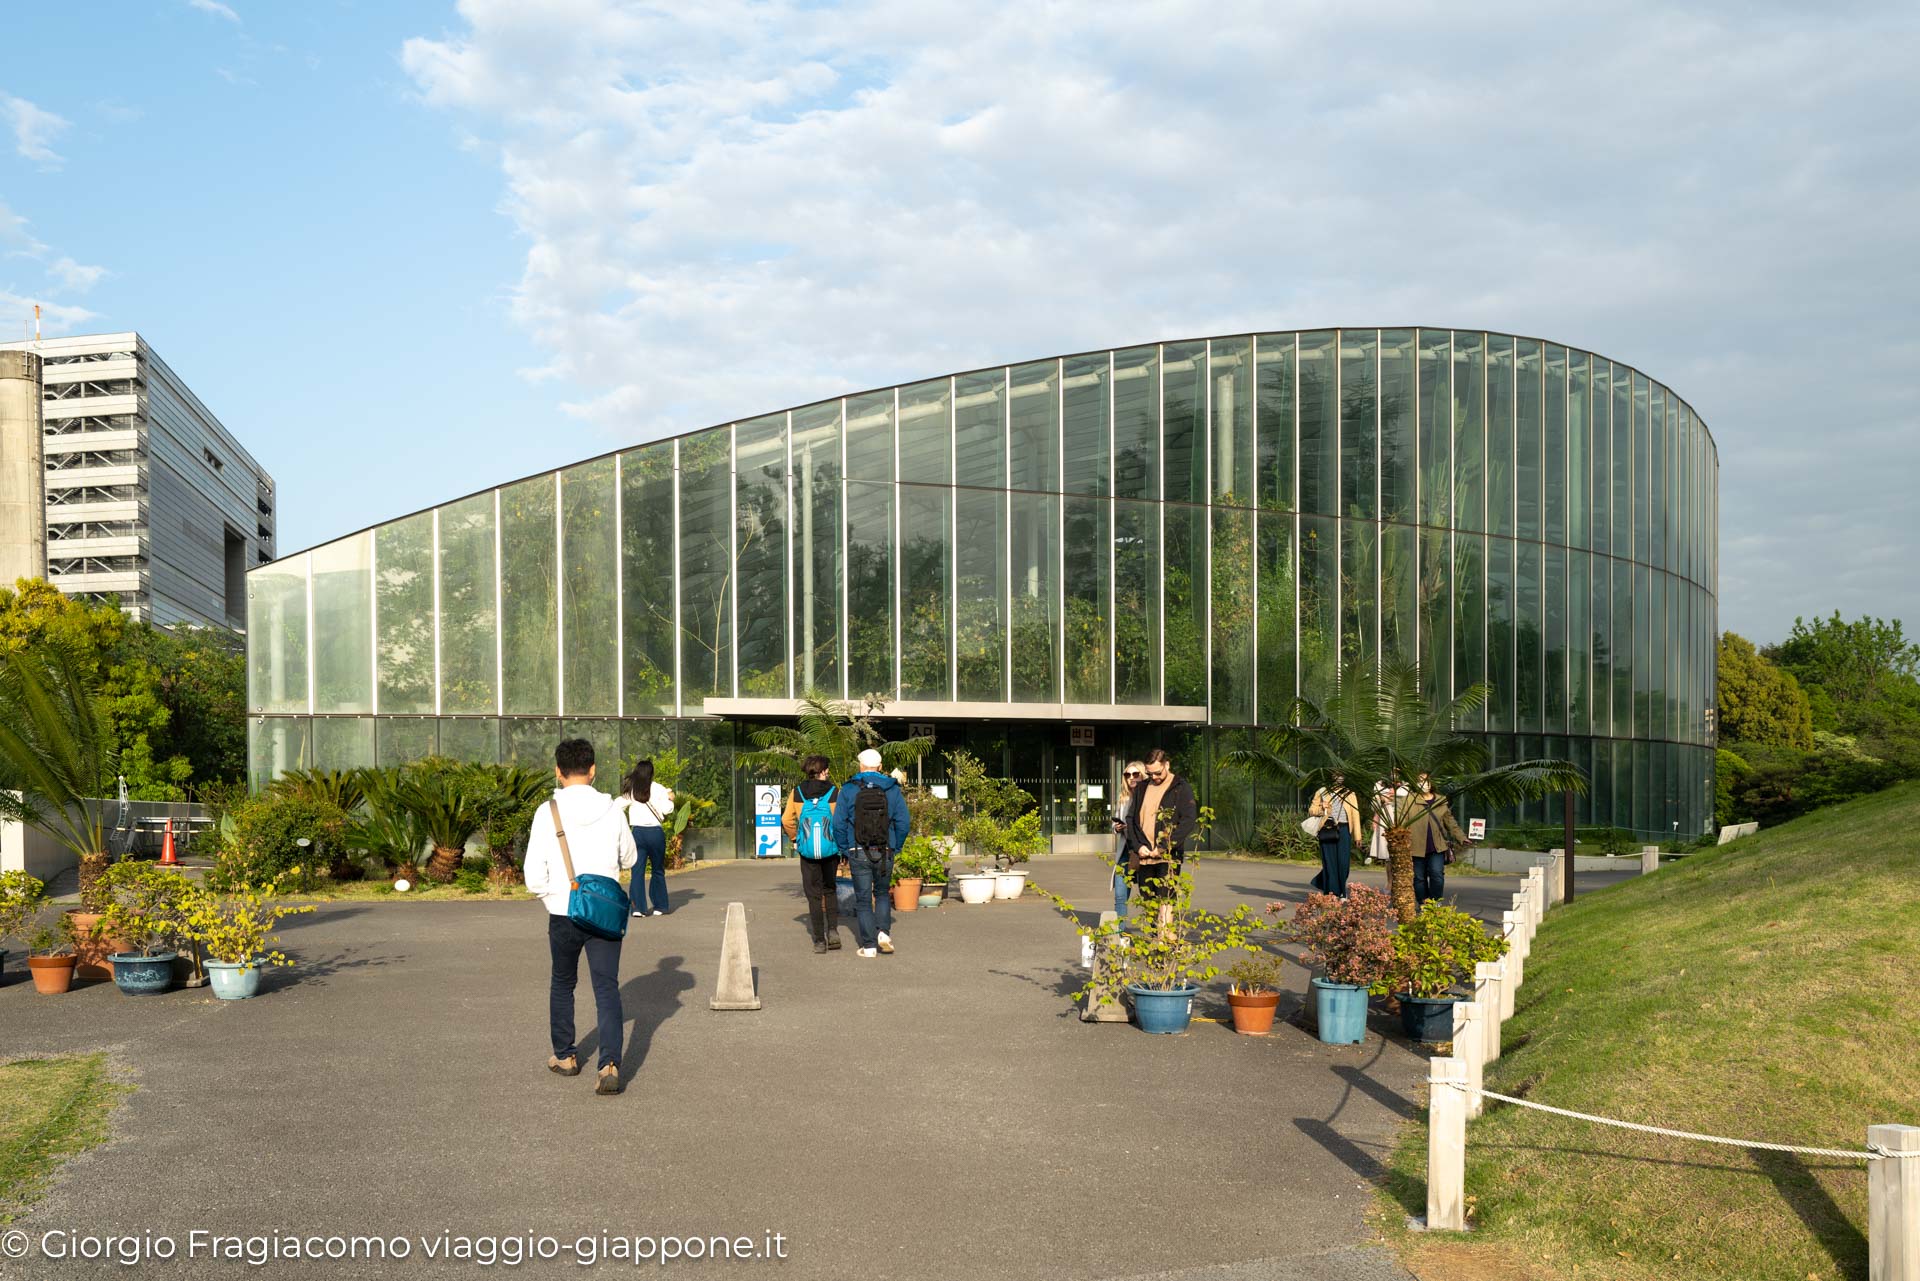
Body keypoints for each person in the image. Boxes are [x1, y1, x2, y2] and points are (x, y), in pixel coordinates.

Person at [523, 738, 638, 1096]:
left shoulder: (548, 811)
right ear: (593, 770)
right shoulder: (612, 810)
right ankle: (609, 1064)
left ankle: (566, 1057)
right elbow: (631, 858)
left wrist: (552, 897)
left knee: (563, 982)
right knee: (606, 987)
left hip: (563, 912)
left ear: (558, 772)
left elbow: (532, 875)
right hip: (603, 913)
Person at [831, 747, 910, 958]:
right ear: (881, 767)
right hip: (886, 850)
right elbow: (904, 822)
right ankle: (883, 933)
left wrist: (843, 849)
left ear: (860, 766)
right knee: (882, 893)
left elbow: (838, 823)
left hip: (857, 850)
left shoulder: (848, 789)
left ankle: (869, 946)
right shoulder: (892, 789)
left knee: (864, 900)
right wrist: (897, 845)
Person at [1122, 749, 1198, 915]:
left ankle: (1163, 939)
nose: (1154, 777)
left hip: (1168, 856)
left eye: (1158, 773)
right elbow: (1131, 819)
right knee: (1148, 901)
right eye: (1150, 774)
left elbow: (1188, 820)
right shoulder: (1142, 787)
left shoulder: (1180, 787)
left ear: (1167, 765)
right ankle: (1154, 938)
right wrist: (1138, 846)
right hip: (1144, 856)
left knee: (1165, 900)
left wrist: (1164, 846)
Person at [782, 754, 842, 953]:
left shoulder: (797, 792)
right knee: (830, 890)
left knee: (813, 895)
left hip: (807, 852)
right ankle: (833, 931)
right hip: (830, 850)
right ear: (823, 771)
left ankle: (818, 940)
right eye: (827, 769)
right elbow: (840, 820)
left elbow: (787, 820)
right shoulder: (834, 792)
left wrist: (795, 839)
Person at [617, 759, 675, 918]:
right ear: (651, 773)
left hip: (637, 834)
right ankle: (660, 906)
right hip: (655, 833)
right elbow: (668, 809)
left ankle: (637, 908)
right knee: (657, 870)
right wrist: (671, 798)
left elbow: (617, 805)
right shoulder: (658, 788)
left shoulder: (632, 789)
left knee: (637, 871)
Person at [1408, 773, 1469, 907]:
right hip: (1416, 846)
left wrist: (1461, 837)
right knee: (1419, 878)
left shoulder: (1440, 801)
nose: (1423, 784)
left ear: (1431, 783)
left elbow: (1450, 822)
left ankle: (1435, 902)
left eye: (1426, 780)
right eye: (1420, 781)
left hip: (1437, 845)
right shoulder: (1409, 800)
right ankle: (1423, 902)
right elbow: (1402, 822)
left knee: (1437, 874)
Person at [1308, 773, 1363, 898]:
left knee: (1343, 864)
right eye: (1336, 775)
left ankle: (1327, 884)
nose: (1339, 778)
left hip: (1344, 829)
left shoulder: (1350, 794)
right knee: (1329, 862)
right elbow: (1311, 810)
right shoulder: (1322, 792)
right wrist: (1322, 808)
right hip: (1328, 828)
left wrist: (1357, 836)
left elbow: (1355, 815)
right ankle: (1334, 893)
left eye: (1341, 776)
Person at [1110, 760, 1146, 918]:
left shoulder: (1149, 798)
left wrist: (1130, 828)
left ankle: (1155, 935)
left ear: (1142, 775)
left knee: (1149, 896)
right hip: (1126, 852)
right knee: (1120, 896)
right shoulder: (1124, 798)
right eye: (1127, 774)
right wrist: (1116, 827)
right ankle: (1118, 935)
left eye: (1135, 774)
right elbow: (1116, 820)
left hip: (1145, 852)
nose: (1131, 777)